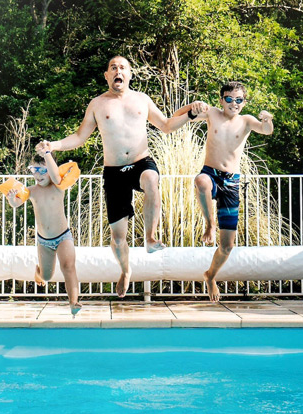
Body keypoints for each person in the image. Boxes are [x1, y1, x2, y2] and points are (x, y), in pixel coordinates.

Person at [37, 56, 193, 298]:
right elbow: (80, 137)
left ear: (130, 74)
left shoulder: (142, 100)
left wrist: (191, 114)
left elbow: (166, 125)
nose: (118, 71)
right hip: (114, 172)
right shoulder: (98, 104)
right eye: (113, 68)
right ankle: (125, 270)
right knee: (118, 239)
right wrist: (54, 145)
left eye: (122, 68)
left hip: (141, 162)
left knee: (151, 180)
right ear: (107, 76)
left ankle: (151, 238)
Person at [174, 81, 274, 302]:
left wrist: (267, 118)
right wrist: (193, 104)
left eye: (238, 100)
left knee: (227, 246)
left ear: (244, 102)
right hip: (210, 172)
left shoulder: (246, 121)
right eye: (229, 99)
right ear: (221, 100)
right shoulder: (212, 114)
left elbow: (266, 131)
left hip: (232, 183)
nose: (233, 103)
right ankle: (210, 225)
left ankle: (210, 276)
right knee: (201, 181)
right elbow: (177, 115)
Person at [5, 151, 82, 316]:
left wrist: (48, 153)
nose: (37, 175)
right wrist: (11, 199)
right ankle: (38, 273)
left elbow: (57, 176)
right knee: (46, 277)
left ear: (52, 170)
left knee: (68, 266)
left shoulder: (58, 186)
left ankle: (73, 301)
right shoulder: (31, 190)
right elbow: (16, 203)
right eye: (34, 169)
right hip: (44, 241)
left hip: (63, 237)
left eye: (42, 170)